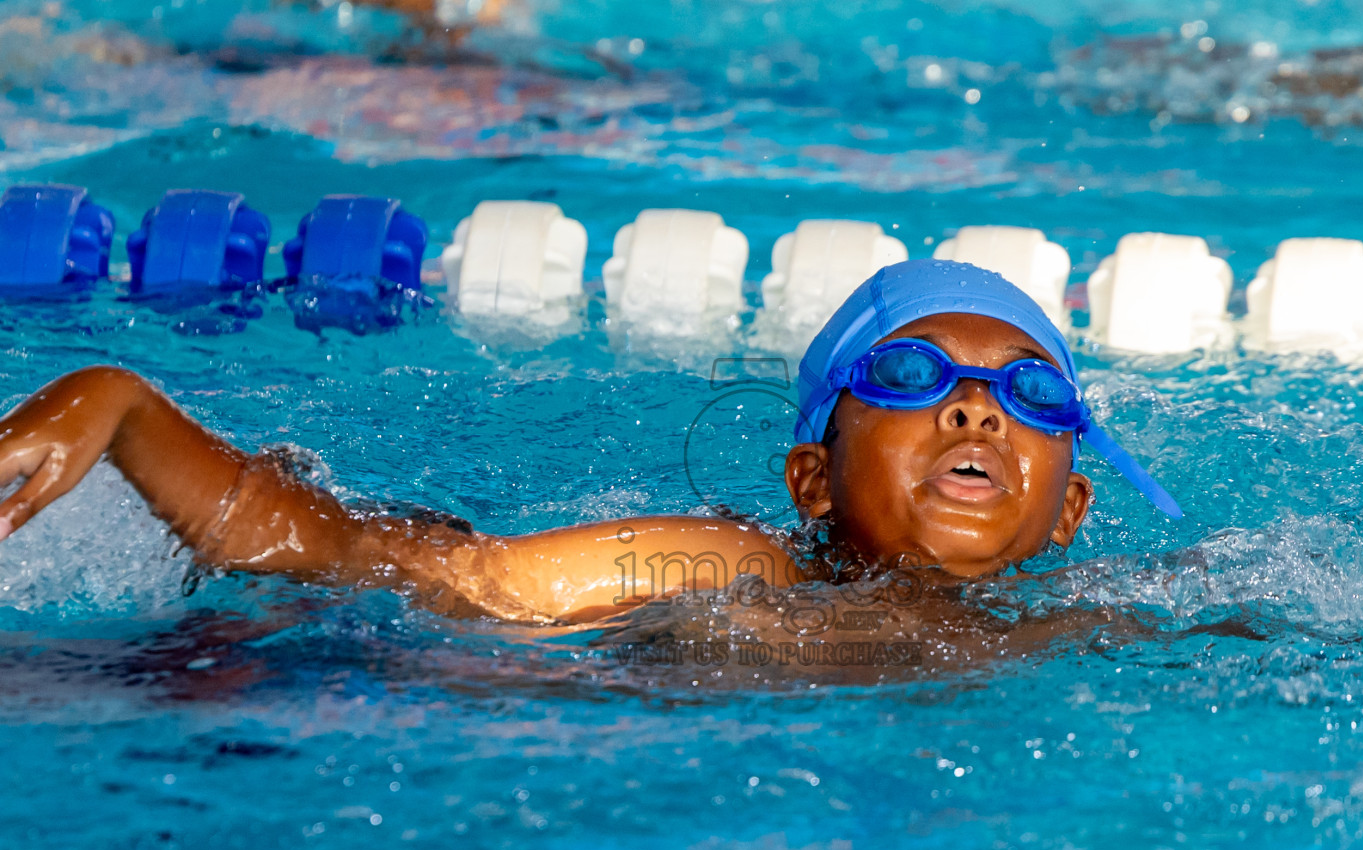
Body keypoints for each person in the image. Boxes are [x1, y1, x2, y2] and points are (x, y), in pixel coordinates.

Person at [0, 261, 1180, 626]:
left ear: (1070, 508)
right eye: (916, 376)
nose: (977, 410)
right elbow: (437, 571)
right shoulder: (733, 569)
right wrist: (127, 411)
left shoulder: (1118, 619)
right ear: (810, 483)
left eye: (1030, 392)